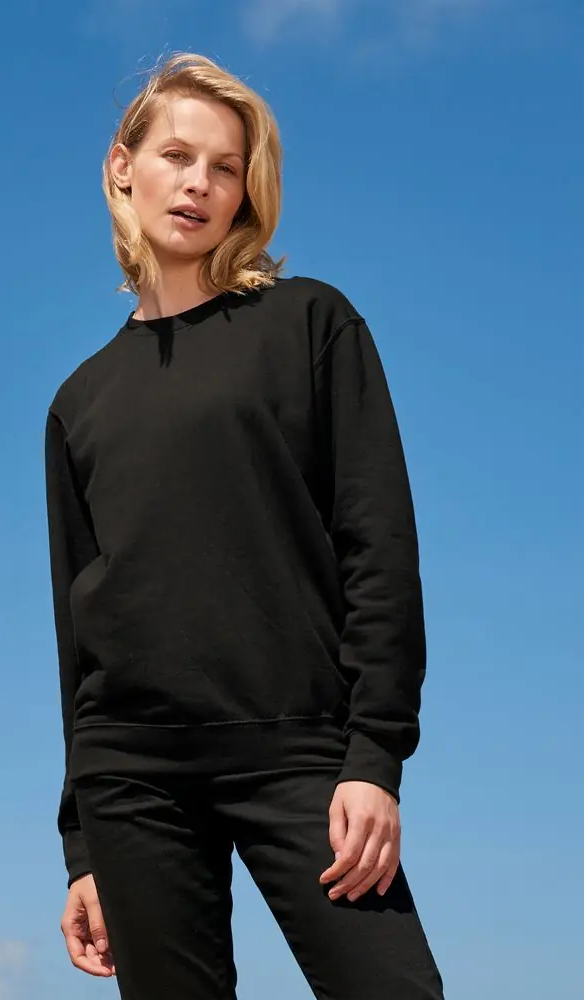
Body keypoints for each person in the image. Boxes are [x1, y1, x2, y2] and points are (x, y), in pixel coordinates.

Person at [44, 51, 445, 1000]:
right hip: (132, 778)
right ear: (122, 167)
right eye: (177, 156)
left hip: (300, 750)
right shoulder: (77, 402)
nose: (199, 183)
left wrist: (373, 757)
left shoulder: (310, 323)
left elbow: (378, 545)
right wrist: (81, 847)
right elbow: (76, 634)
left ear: (247, 193)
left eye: (226, 168)